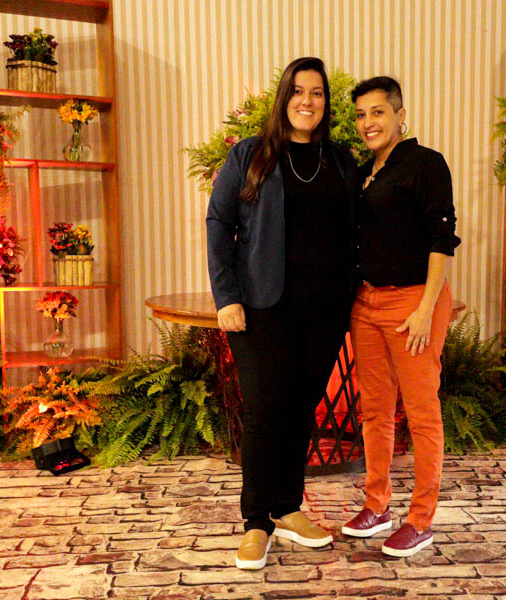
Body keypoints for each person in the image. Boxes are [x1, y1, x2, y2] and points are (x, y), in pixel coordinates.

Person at [206, 57, 359, 570]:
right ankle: (256, 521)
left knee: (299, 410)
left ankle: (288, 508)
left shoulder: (340, 160)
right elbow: (219, 222)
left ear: (326, 102)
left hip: (325, 311)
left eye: (316, 93)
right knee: (264, 411)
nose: (306, 101)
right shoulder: (250, 154)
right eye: (298, 91)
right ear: (283, 97)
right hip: (261, 307)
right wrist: (226, 297)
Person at [341, 76, 459, 557]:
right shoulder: (363, 173)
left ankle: (421, 520)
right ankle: (377, 505)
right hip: (365, 304)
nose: (368, 122)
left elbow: (442, 239)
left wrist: (426, 309)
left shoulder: (425, 164)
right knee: (374, 410)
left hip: (412, 301)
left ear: (400, 115)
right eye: (361, 115)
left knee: (421, 413)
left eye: (378, 112)